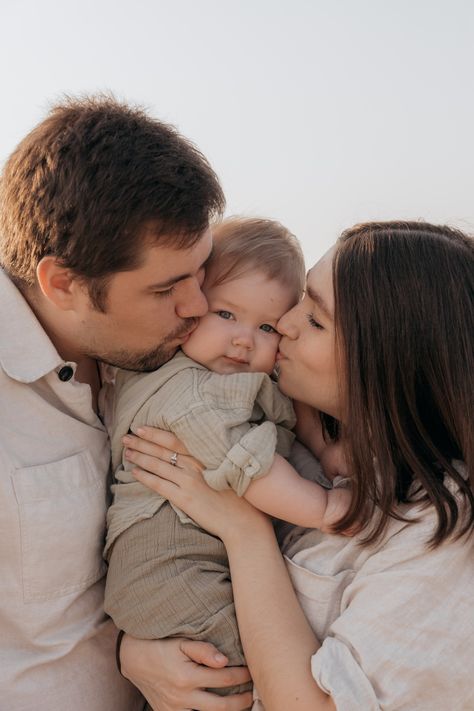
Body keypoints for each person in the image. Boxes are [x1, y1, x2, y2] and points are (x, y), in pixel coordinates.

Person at [124, 221, 474, 710]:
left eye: (315, 319)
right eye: (302, 300)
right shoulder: (301, 444)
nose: (284, 322)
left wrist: (244, 532)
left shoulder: (445, 528)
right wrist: (137, 652)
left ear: (386, 358)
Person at [0, 95, 252, 710]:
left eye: (200, 271)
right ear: (63, 284)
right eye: (167, 287)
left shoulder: (173, 354)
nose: (197, 305)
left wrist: (128, 652)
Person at [104, 217, 351, 704]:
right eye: (225, 314)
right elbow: (248, 465)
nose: (244, 340)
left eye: (266, 327)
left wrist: (322, 447)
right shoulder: (190, 391)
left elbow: (280, 421)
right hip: (167, 556)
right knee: (232, 669)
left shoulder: (227, 378)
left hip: (190, 553)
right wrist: (325, 508)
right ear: (191, 306)